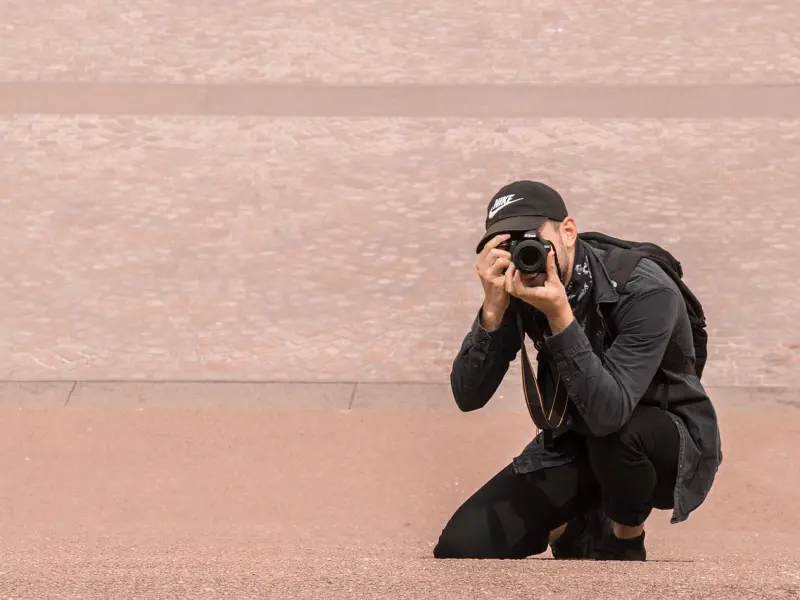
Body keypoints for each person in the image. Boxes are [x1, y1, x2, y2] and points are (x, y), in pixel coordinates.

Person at [433, 180, 723, 561]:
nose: (524, 253)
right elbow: (468, 395)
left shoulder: (646, 291)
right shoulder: (518, 285)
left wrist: (559, 316)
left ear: (568, 231)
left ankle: (624, 536)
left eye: (531, 238)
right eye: (508, 244)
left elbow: (609, 414)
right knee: (460, 545)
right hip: (579, 437)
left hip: (659, 441)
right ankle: (576, 530)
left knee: (619, 438)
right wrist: (492, 310)